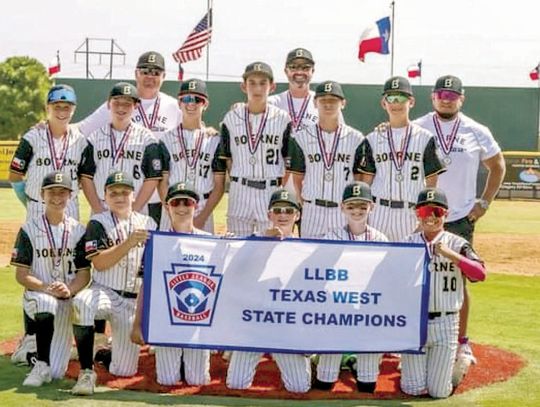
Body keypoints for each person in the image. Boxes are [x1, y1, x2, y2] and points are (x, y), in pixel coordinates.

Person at [414, 75, 506, 385]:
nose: (447, 99)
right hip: (422, 214)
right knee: (417, 279)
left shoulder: (477, 130)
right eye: (442, 93)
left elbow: (498, 166)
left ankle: (461, 340)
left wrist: (484, 203)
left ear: (461, 99)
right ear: (433, 97)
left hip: (459, 218)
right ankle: (413, 336)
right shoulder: (419, 126)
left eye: (452, 95)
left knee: (459, 281)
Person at [9, 84, 88, 366]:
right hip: (37, 204)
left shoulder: (80, 139)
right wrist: (30, 202)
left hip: (71, 206)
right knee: (33, 269)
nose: (62, 111)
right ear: (48, 107)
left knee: (68, 267)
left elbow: (86, 176)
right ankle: (31, 337)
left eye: (67, 107)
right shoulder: (33, 136)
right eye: (57, 106)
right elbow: (15, 173)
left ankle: (67, 332)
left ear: (74, 109)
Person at [70, 171, 156, 395]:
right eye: (113, 193)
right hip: (105, 292)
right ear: (105, 197)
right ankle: (87, 372)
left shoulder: (149, 223)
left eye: (124, 192)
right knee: (82, 303)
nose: (119, 197)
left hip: (133, 301)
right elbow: (99, 264)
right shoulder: (98, 222)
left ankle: (102, 354)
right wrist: (128, 243)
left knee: (124, 371)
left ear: (133, 195)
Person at [400, 187, 486, 398]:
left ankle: (459, 366)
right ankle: (429, 368)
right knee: (413, 389)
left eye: (437, 212)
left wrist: (450, 255)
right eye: (424, 212)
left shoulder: (457, 244)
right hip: (414, 323)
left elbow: (480, 274)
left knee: (439, 392)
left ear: (446, 214)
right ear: (416, 213)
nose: (430, 217)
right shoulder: (406, 244)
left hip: (446, 322)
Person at [78, 51, 182, 225]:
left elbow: (194, 129)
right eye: (145, 71)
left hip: (157, 196)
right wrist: (49, 124)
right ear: (136, 73)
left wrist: (208, 129)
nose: (150, 76)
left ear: (164, 76)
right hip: (115, 197)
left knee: (146, 249)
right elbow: (82, 128)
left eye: (156, 72)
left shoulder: (173, 106)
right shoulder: (116, 103)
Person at [226, 188, 311, 393]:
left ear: (297, 215)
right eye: (278, 210)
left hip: (286, 323)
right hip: (255, 322)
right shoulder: (252, 242)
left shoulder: (307, 248)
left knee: (299, 387)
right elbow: (235, 276)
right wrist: (264, 242)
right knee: (236, 384)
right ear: (269, 214)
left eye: (289, 211)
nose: (283, 215)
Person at [10, 171, 90, 386]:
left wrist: (70, 290)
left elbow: (84, 273)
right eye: (51, 192)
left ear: (70, 195)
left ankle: (27, 353)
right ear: (41, 194)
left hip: (66, 298)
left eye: (62, 192)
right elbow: (21, 274)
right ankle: (40, 365)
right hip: (38, 296)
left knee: (58, 372)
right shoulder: (28, 229)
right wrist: (47, 288)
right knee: (46, 302)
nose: (57, 197)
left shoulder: (79, 231)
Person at [131, 182, 211, 385]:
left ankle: (188, 364)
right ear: (167, 207)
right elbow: (145, 286)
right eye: (176, 203)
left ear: (196, 206)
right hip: (165, 323)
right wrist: (137, 324)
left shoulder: (211, 242)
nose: (182, 207)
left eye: (188, 202)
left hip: (198, 324)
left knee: (198, 381)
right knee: (166, 381)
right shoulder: (156, 241)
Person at [313, 181, 388, 392]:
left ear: (371, 207)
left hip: (368, 314)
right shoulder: (332, 237)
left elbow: (387, 278)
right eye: (352, 206)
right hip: (337, 312)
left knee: (367, 384)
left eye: (363, 206)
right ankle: (321, 361)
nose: (357, 211)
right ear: (342, 207)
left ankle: (356, 363)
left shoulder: (380, 238)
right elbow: (321, 275)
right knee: (325, 381)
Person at [357, 76, 445, 242]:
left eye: (401, 98)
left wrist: (425, 216)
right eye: (391, 98)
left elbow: (431, 184)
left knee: (408, 264)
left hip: (411, 212)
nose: (396, 103)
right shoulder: (373, 138)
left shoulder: (425, 138)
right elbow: (366, 182)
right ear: (384, 103)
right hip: (379, 211)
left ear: (411, 102)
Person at [218, 61, 291, 236]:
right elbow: (227, 158)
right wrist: (238, 178)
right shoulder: (231, 118)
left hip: (270, 187)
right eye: (252, 82)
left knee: (270, 245)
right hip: (240, 189)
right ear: (244, 86)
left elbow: (288, 159)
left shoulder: (283, 119)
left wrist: (278, 187)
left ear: (271, 86)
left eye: (262, 83)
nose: (257, 88)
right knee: (236, 244)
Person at [288, 80, 364, 238]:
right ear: (315, 103)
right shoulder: (301, 138)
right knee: (307, 257)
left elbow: (359, 177)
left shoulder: (356, 138)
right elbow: (297, 179)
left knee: (343, 257)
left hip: (342, 211)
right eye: (323, 100)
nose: (328, 105)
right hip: (313, 210)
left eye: (333, 100)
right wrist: (308, 202)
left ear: (343, 103)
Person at [79, 82, 162, 217]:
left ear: (136, 106)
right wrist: (98, 209)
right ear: (108, 104)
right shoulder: (95, 138)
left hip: (135, 208)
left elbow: (152, 178)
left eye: (127, 103)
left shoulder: (147, 139)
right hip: (102, 206)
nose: (121, 108)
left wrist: (135, 209)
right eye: (116, 102)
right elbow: (86, 177)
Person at [159, 79, 225, 233]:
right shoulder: (166, 139)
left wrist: (203, 217)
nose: (191, 104)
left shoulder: (215, 140)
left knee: (202, 255)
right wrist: (170, 211)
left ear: (205, 104)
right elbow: (163, 183)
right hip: (173, 204)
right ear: (179, 103)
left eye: (198, 100)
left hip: (203, 205)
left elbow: (219, 185)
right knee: (167, 254)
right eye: (186, 99)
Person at [267, 48, 318, 132]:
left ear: (312, 71)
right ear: (286, 71)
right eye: (293, 67)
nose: (299, 72)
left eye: (305, 68)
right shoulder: (272, 103)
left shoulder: (324, 103)